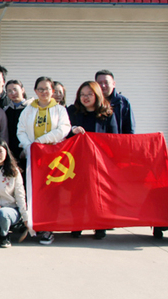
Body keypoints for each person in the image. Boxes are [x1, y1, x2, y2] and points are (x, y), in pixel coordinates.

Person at [17, 76, 71, 245]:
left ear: (52, 91)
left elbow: (64, 129)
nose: (43, 92)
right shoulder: (28, 110)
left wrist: (41, 141)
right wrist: (30, 147)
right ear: (35, 91)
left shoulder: (60, 110)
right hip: (34, 157)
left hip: (54, 157)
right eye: (40, 89)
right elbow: (21, 131)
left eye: (47, 89)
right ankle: (34, 224)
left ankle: (48, 228)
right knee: (34, 192)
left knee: (51, 194)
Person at [66, 80, 118, 240]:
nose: (85, 97)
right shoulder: (72, 111)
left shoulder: (107, 114)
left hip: (99, 162)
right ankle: (77, 224)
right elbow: (63, 131)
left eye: (89, 94)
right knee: (77, 195)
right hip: (76, 161)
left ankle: (100, 225)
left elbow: (114, 139)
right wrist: (72, 130)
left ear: (97, 95)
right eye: (82, 94)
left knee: (99, 195)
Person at [95, 70, 135, 134]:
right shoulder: (90, 101)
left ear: (113, 84)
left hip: (116, 139)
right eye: (100, 83)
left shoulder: (122, 102)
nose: (103, 85)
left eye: (106, 82)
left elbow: (130, 128)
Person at [3, 79, 29, 165]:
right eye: (9, 91)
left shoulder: (31, 109)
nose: (13, 93)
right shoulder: (6, 110)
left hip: (26, 151)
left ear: (22, 90)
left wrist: (26, 149)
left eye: (15, 89)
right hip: (10, 153)